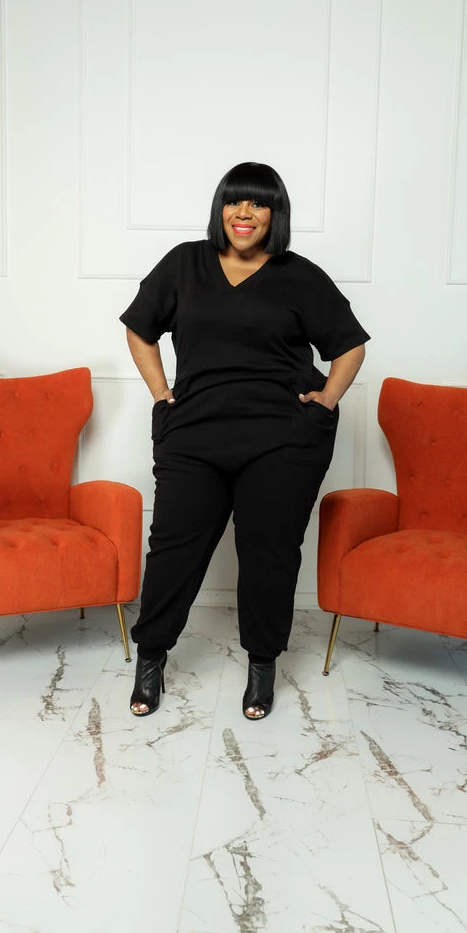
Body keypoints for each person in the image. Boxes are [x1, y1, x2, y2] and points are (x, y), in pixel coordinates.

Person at [120, 162, 369, 719]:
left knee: (269, 553)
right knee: (174, 549)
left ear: (275, 215)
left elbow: (349, 345)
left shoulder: (300, 275)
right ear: (221, 209)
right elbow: (139, 328)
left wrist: (325, 400)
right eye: (235, 201)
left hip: (281, 439)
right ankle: (151, 657)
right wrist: (161, 393)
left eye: (259, 203)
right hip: (195, 431)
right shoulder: (185, 263)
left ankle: (262, 664)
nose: (245, 213)